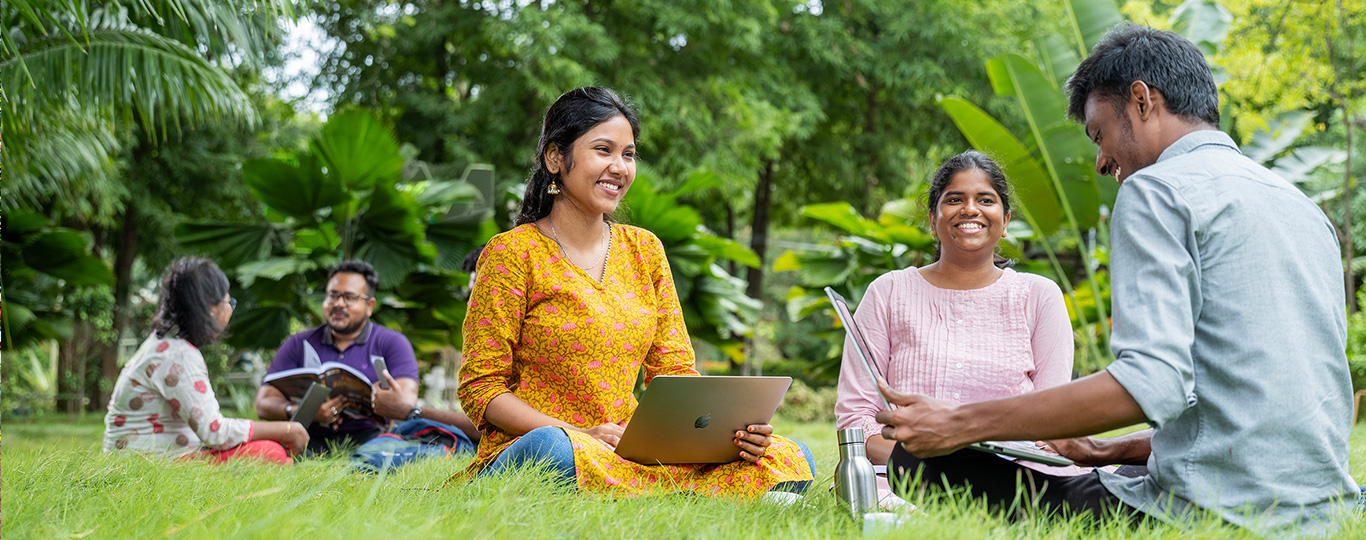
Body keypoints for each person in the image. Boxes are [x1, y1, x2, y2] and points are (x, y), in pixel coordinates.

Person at [874, 22, 1355, 538]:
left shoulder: (1157, 191)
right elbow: (1264, 407)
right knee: (1102, 472)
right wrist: (1104, 450)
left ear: (1142, 101)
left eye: (1099, 134)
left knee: (918, 462)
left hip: (1213, 513)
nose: (1102, 161)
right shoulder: (1302, 207)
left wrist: (959, 423)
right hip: (1319, 510)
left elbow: (1153, 386)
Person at [455, 87, 814, 495]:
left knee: (789, 455)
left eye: (628, 154)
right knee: (553, 451)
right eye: (603, 150)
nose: (619, 167)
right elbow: (481, 389)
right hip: (550, 445)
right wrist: (579, 432)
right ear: (556, 158)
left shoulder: (644, 250)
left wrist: (732, 433)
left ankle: (666, 493)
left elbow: (676, 374)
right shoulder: (513, 253)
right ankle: (698, 498)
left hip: (628, 451)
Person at [836, 150, 1083, 480]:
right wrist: (926, 468)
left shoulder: (1039, 296)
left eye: (985, 199)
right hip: (904, 474)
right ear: (932, 219)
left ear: (1006, 220)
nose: (970, 209)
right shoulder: (888, 292)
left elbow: (1052, 418)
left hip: (1014, 473)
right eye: (954, 199)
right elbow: (857, 414)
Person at [104, 257, 308, 464]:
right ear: (210, 308)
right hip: (151, 465)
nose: (229, 310)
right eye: (229, 302)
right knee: (270, 452)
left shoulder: (163, 344)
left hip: (137, 461)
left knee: (265, 449)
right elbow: (215, 432)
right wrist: (287, 430)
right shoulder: (178, 355)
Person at [255, 260, 427, 455]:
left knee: (384, 455)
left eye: (349, 297)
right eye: (333, 295)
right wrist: (299, 409)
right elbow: (263, 404)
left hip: (372, 439)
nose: (338, 303)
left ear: (369, 305)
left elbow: (406, 401)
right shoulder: (298, 343)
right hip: (306, 439)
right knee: (271, 453)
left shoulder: (393, 343)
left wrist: (383, 400)